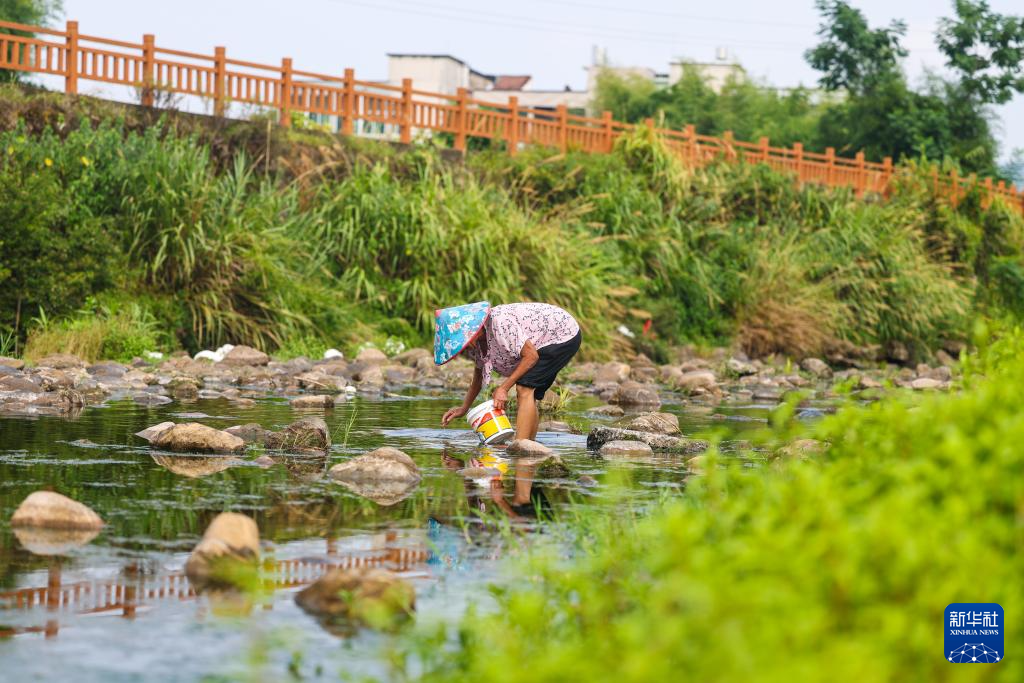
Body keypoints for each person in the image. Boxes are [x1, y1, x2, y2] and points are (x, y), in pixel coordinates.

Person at [435, 301, 582, 441]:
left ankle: (521, 445)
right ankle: (530, 444)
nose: (464, 346)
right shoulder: (478, 344)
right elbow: (478, 376)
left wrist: (503, 388)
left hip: (562, 333)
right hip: (543, 342)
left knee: (524, 388)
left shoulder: (499, 323)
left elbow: (531, 356)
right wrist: (464, 408)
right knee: (529, 395)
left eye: (463, 341)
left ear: (472, 328)